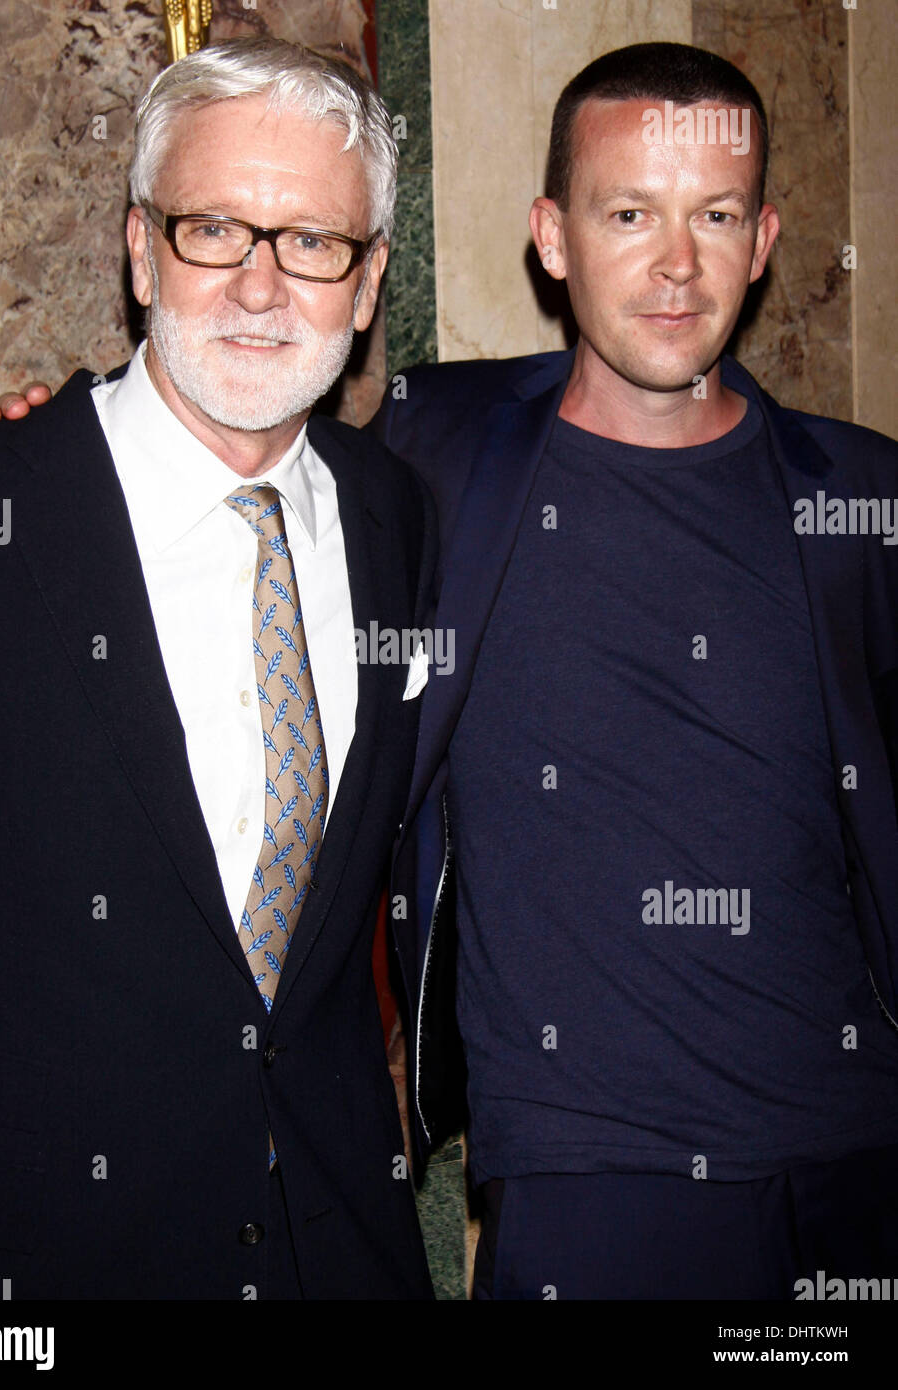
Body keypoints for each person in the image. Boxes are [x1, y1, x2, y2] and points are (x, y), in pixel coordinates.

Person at [0, 37, 437, 1300]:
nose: (260, 287)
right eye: (214, 230)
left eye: (311, 242)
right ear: (140, 249)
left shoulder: (399, 517)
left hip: (337, 1250)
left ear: (365, 288)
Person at [375, 41, 898, 1299]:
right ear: (551, 237)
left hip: (860, 1161)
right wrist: (51, 423)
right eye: (628, 214)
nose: (677, 265)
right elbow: (213, 435)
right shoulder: (425, 456)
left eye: (713, 215)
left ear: (764, 237)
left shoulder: (862, 497)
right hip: (588, 1180)